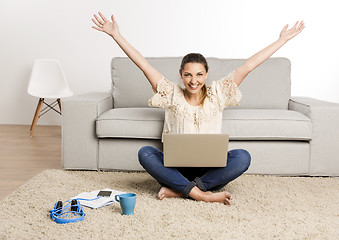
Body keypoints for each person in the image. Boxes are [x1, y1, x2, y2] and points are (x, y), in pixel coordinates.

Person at [92, 12, 305, 205]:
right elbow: (144, 65)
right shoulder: (171, 93)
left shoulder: (218, 93)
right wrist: (115, 35)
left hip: (208, 166)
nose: (194, 81)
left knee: (243, 157)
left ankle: (182, 189)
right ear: (181, 75)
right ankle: (202, 193)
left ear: (207, 74)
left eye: (199, 74)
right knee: (145, 153)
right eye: (188, 75)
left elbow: (248, 66)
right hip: (176, 165)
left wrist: (281, 40)